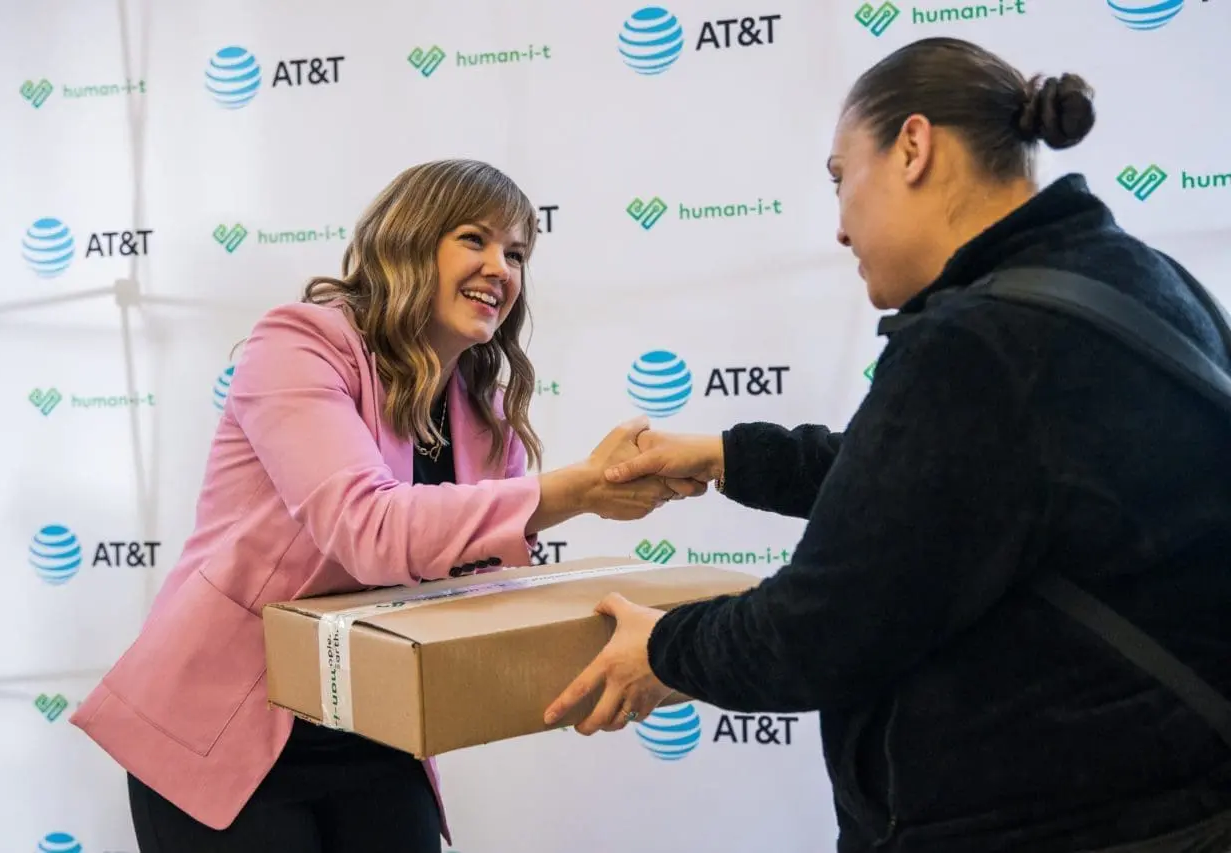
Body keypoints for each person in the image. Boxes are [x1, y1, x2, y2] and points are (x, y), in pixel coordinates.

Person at [543, 37, 1231, 853]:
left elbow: (824, 627)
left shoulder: (978, 341)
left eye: (841, 179)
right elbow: (953, 490)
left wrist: (663, 648)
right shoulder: (1141, 282)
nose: (838, 227)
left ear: (913, 146)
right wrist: (726, 454)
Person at [70, 158, 699, 853]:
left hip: (370, 722)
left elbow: (482, 588)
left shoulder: (481, 406)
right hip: (222, 729)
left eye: (516, 252)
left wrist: (614, 649)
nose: (501, 267)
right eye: (475, 239)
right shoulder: (302, 343)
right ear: (409, 239)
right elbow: (369, 529)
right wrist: (578, 490)